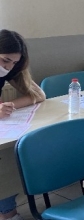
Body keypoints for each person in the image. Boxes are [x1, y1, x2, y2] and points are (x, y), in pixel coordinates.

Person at [0, 30, 46, 220]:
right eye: (5, 60)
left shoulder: (10, 69)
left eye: (14, 62)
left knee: (11, 156)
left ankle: (7, 212)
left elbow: (39, 95)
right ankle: (8, 214)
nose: (8, 67)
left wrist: (8, 105)